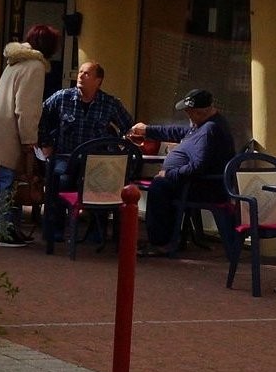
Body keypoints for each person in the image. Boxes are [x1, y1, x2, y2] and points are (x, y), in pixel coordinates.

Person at [0, 23, 60, 244]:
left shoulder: (17, 62)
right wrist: (30, 140)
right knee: (5, 182)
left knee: (1, 182)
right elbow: (26, 108)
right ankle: (0, 231)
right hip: (6, 131)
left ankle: (5, 228)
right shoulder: (35, 66)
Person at [129, 88, 235, 258]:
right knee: (162, 186)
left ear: (201, 112)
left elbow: (198, 167)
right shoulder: (200, 125)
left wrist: (170, 174)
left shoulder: (210, 130)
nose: (187, 115)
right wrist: (147, 130)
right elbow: (177, 132)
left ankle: (161, 243)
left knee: (159, 188)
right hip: (191, 183)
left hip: (204, 187)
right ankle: (170, 238)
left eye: (189, 112)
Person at [37, 61, 132, 243]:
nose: (80, 76)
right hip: (66, 157)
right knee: (58, 179)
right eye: (80, 72)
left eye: (86, 73)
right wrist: (45, 143)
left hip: (96, 162)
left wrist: (119, 149)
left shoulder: (110, 103)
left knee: (105, 181)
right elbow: (41, 116)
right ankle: (55, 230)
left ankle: (97, 232)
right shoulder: (62, 97)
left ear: (98, 80)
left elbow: (129, 127)